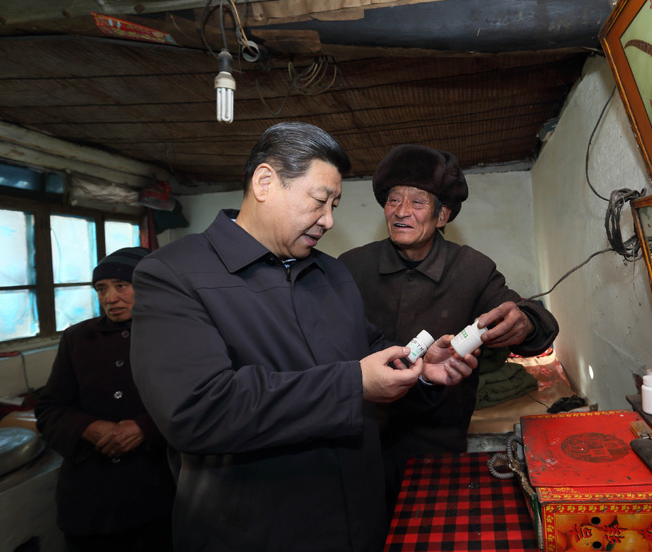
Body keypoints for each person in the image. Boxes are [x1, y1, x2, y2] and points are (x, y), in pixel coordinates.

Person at [129, 122, 477, 552]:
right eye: (319, 201)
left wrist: (420, 368)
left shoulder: (332, 272)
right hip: (257, 534)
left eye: (335, 205)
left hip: (359, 522)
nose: (329, 220)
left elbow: (370, 352)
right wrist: (352, 384)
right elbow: (198, 409)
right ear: (265, 182)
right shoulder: (174, 274)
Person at [338, 144, 559, 506]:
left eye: (417, 202)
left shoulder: (473, 270)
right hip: (361, 437)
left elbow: (529, 316)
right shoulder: (351, 267)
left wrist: (525, 322)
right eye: (393, 200)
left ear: (442, 215)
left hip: (437, 438)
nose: (401, 211)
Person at [35, 247, 175, 552]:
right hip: (90, 500)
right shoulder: (77, 338)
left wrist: (145, 428)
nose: (110, 298)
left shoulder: (175, 335)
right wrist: (88, 428)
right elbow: (49, 409)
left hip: (159, 494)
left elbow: (197, 404)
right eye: (101, 288)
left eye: (121, 286)